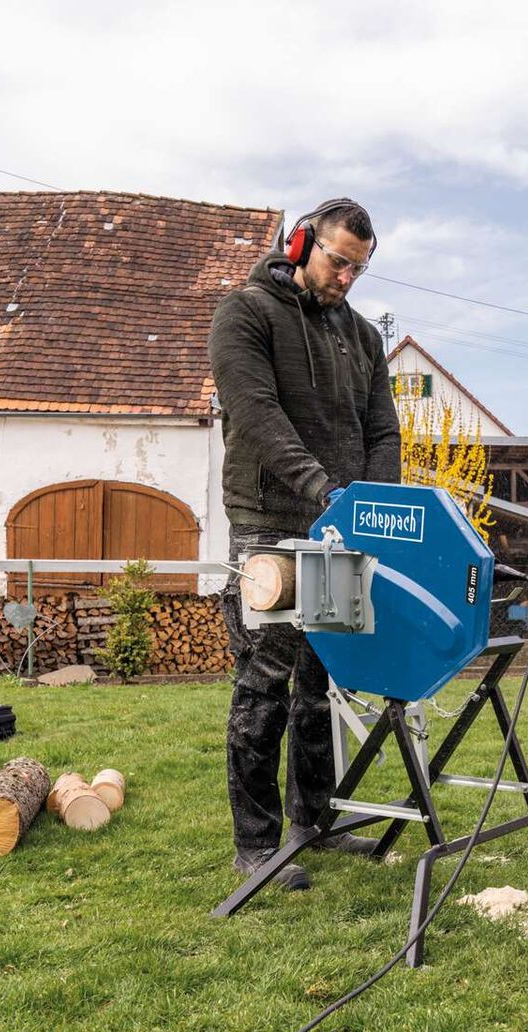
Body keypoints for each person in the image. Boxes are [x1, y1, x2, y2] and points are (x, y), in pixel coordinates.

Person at [208, 198, 401, 890]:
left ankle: (310, 824)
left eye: (360, 268)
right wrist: (321, 487)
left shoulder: (361, 336)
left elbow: (382, 431)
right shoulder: (246, 314)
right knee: (265, 681)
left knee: (323, 682)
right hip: (272, 517)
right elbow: (256, 414)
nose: (348, 277)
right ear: (300, 244)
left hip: (343, 521)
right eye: (338, 261)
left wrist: (376, 506)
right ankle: (255, 846)